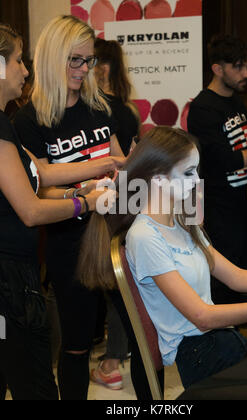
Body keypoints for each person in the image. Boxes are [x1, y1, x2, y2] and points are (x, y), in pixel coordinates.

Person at [77, 125, 247, 391]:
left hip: (223, 341)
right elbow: (202, 316)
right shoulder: (145, 236)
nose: (196, 180)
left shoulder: (183, 224)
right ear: (158, 178)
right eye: (188, 172)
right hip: (200, 357)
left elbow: (236, 277)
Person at [0, 23, 120, 400]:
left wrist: (108, 167)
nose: (25, 69)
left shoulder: (97, 107)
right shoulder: (17, 122)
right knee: (36, 375)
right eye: (19, 60)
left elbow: (42, 172)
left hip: (22, 272)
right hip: (16, 273)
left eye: (90, 60)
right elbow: (32, 209)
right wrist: (84, 201)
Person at [187, 34, 247, 305]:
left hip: (243, 199)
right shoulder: (202, 108)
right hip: (220, 205)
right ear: (218, 69)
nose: (246, 74)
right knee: (225, 278)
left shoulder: (235, 99)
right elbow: (223, 160)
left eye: (246, 65)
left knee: (243, 267)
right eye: (238, 67)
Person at [89, 38, 141, 389]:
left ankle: (111, 360)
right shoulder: (129, 109)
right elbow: (135, 158)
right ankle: (116, 354)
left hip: (102, 201)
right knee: (120, 278)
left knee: (112, 282)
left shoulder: (96, 110)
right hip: (126, 198)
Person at [94, 38, 140, 156]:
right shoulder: (129, 108)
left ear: (104, 69)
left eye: (90, 62)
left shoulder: (101, 109)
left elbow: (122, 162)